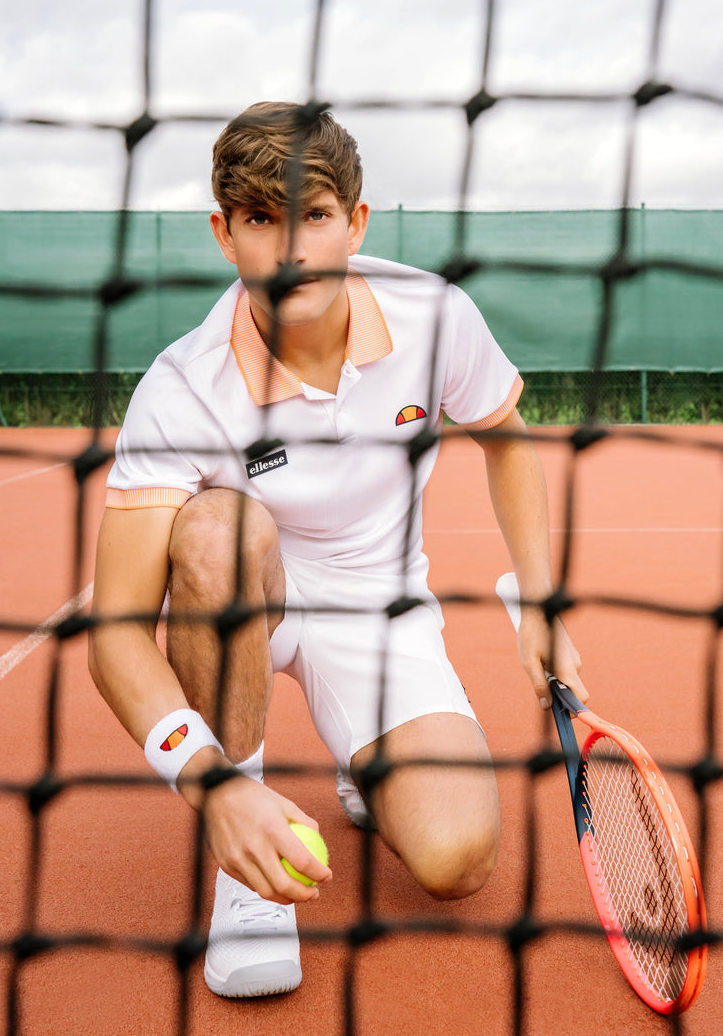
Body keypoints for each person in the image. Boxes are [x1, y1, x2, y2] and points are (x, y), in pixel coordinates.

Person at [89, 101, 587, 1000]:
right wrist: (207, 783)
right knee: (218, 528)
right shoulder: (181, 387)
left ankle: (366, 762)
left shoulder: (434, 316)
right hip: (243, 584)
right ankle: (246, 876)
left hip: (377, 602)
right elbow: (117, 630)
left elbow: (506, 441)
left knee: (457, 860)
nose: (290, 251)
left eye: (313, 216)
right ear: (223, 233)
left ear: (355, 222)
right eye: (259, 221)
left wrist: (538, 605)